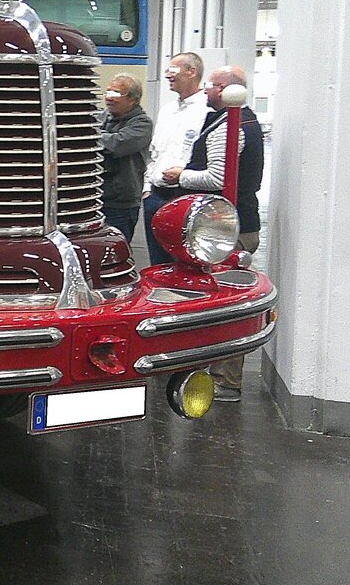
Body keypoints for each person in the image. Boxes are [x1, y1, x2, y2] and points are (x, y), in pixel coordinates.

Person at [161, 64, 265, 401]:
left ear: (225, 89)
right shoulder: (240, 120)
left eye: (210, 85)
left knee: (229, 304)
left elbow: (219, 178)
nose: (206, 90)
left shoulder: (231, 126)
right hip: (233, 226)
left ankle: (226, 380)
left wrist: (180, 176)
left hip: (227, 230)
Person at [141, 52, 208, 264]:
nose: (168, 75)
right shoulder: (167, 110)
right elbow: (155, 153)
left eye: (174, 69)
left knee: (184, 260)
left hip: (184, 195)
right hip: (155, 196)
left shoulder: (207, 111)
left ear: (192, 72)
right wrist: (147, 188)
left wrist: (183, 176)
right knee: (158, 261)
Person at [98, 74, 153, 242]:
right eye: (108, 92)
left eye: (116, 94)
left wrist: (88, 134)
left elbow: (116, 144)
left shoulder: (142, 124)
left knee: (116, 249)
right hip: (96, 199)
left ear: (133, 100)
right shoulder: (102, 118)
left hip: (120, 205)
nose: (109, 98)